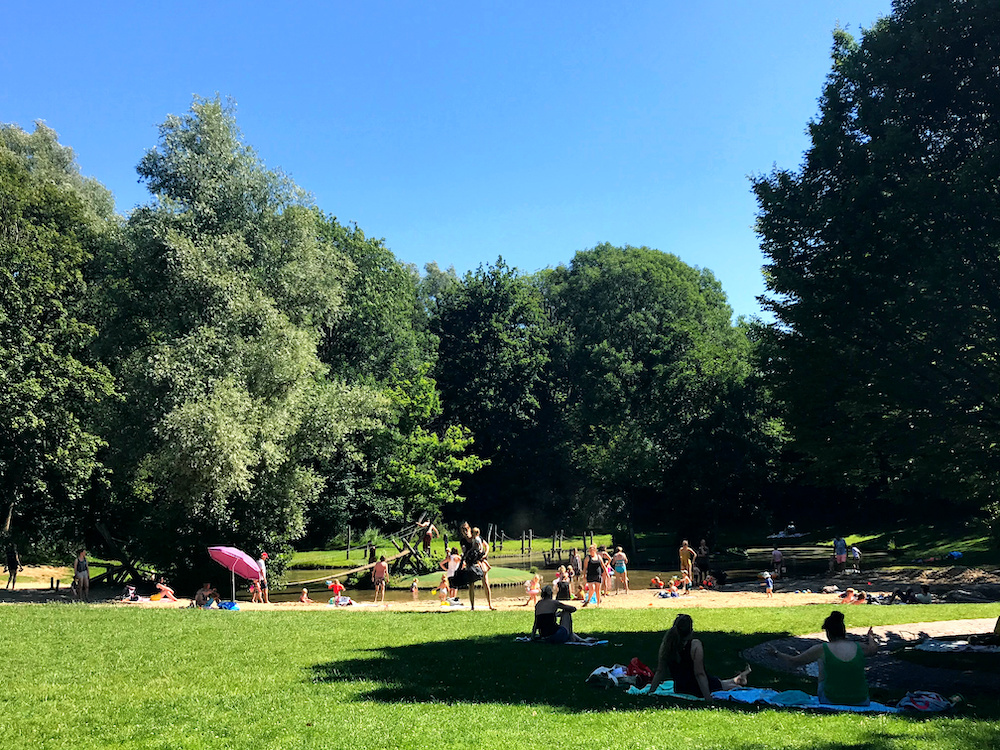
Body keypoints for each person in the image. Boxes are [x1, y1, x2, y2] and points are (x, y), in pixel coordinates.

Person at [770, 610, 877, 706]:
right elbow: (873, 649)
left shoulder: (821, 649)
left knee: (822, 659)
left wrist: (776, 653)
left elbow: (794, 662)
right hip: (861, 700)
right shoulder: (859, 647)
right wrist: (870, 637)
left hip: (831, 699)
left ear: (828, 633)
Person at [650, 613, 751, 698]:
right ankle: (739, 679)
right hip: (697, 688)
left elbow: (660, 671)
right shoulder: (695, 645)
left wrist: (651, 692)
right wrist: (707, 697)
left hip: (680, 688)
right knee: (732, 687)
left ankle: (738, 678)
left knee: (720, 682)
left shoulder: (668, 644)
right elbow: (699, 674)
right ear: (691, 630)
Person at [530, 585, 596, 644]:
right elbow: (573, 609)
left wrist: (533, 636)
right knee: (566, 612)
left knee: (561, 627)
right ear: (551, 594)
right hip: (556, 636)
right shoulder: (554, 603)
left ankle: (581, 640)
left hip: (545, 636)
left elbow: (536, 622)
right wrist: (561, 613)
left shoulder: (538, 604)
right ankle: (576, 639)